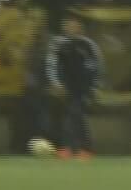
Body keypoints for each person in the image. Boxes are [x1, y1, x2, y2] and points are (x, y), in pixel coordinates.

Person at [45, 14, 102, 160]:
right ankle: (75, 148)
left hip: (82, 88)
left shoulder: (88, 45)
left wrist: (94, 87)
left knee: (75, 116)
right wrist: (56, 84)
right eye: (68, 25)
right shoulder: (57, 43)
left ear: (80, 27)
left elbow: (96, 66)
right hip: (64, 87)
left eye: (74, 25)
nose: (71, 28)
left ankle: (76, 148)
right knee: (67, 117)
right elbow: (51, 64)